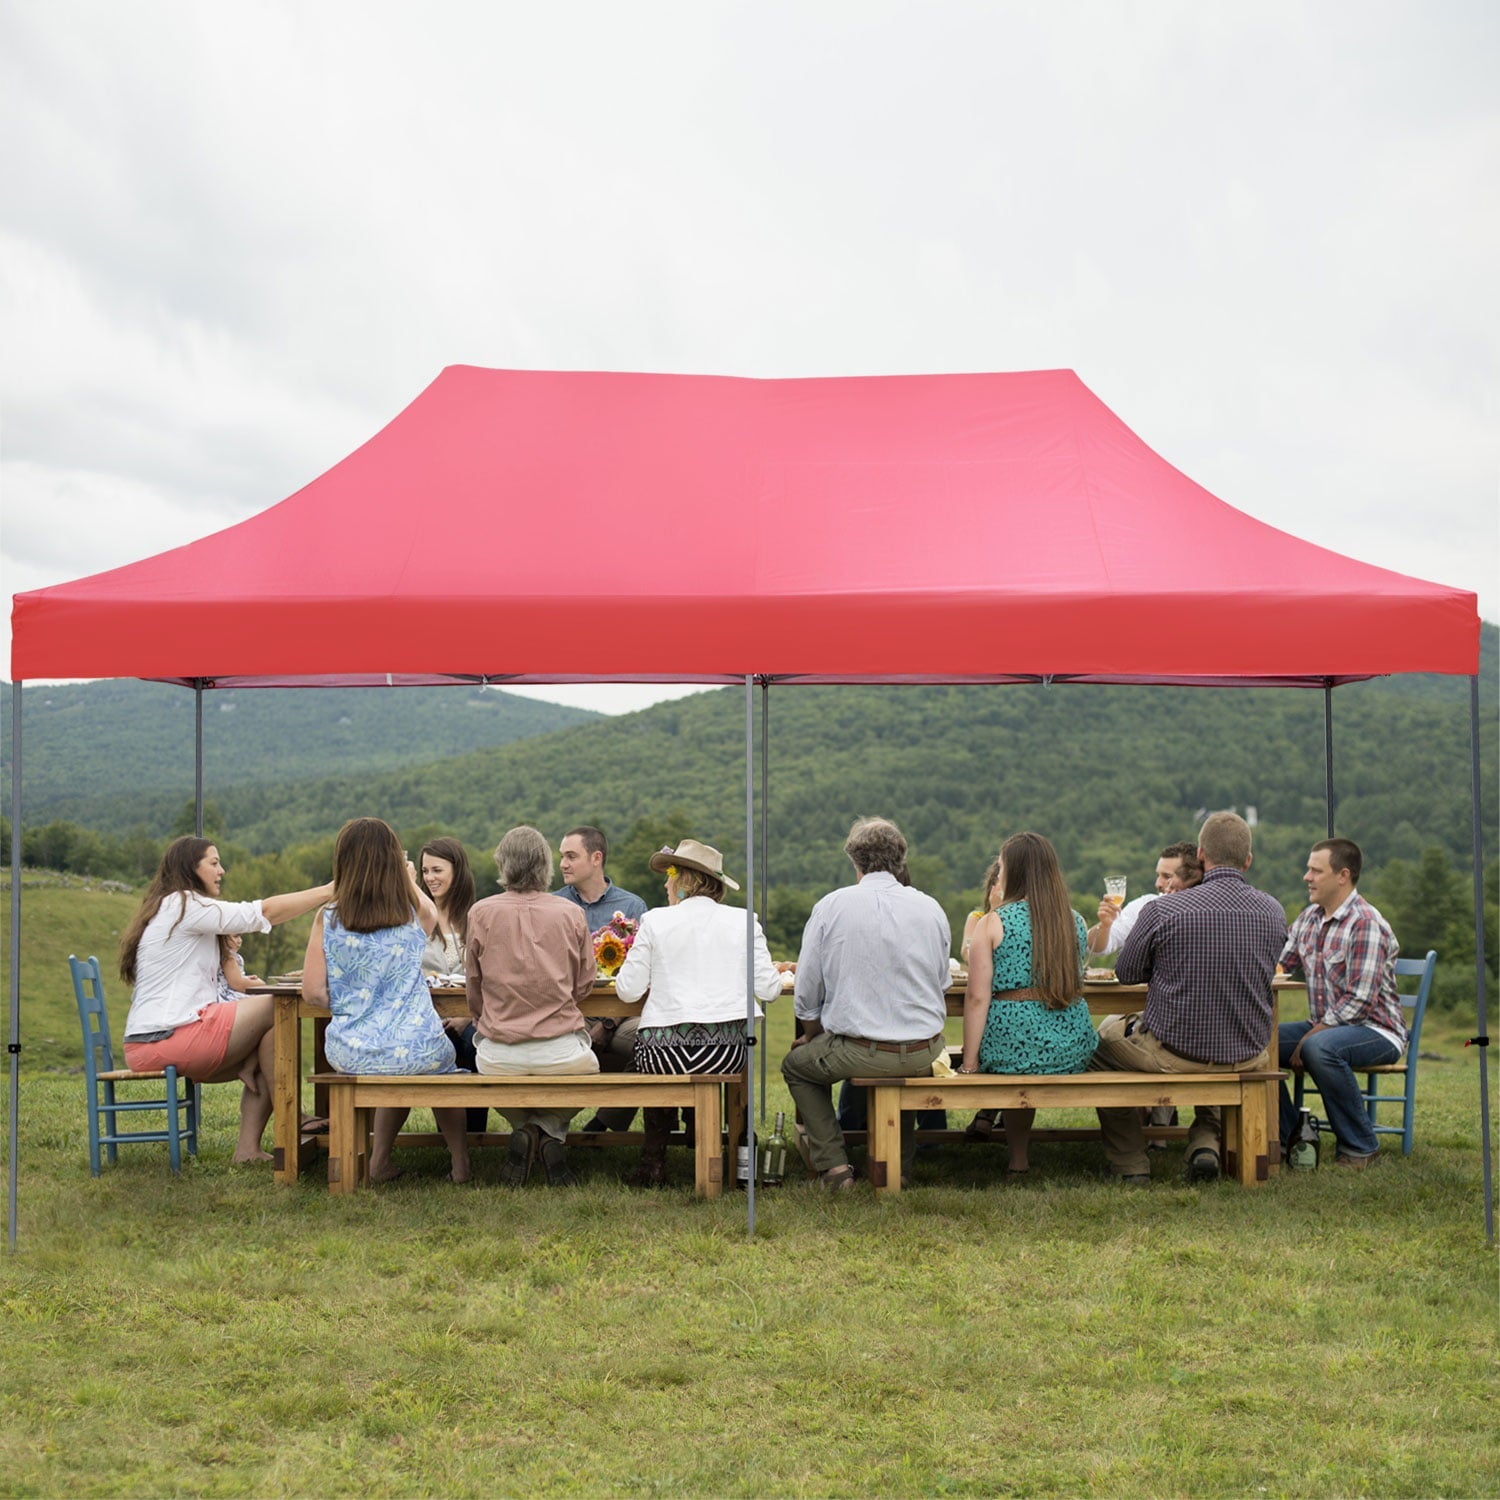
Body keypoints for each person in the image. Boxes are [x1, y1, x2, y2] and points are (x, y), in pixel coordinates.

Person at [1091, 811, 1285, 1183]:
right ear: (1248, 860)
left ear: (1201, 855)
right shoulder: (1272, 910)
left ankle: (1131, 1163)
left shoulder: (1162, 909)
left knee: (1099, 1048)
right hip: (1247, 1053)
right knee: (1216, 1039)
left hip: (1175, 1055)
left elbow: (1127, 973)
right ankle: (1205, 1143)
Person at [120, 836, 333, 1163]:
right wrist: (332, 889)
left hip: (161, 1039)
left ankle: (248, 1150)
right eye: (214, 863)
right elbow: (262, 913)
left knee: (272, 1037)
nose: (222, 871)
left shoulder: (171, 908)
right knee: (279, 1005)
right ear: (192, 868)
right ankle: (293, 1120)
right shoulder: (183, 904)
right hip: (169, 1038)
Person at [781, 817, 951, 1190]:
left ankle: (835, 1166)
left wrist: (811, 1032)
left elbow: (807, 991)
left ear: (853, 860)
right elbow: (942, 982)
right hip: (926, 1051)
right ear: (901, 859)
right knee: (898, 1063)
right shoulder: (931, 908)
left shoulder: (832, 906)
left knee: (797, 1066)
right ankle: (896, 1169)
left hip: (862, 1050)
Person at [302, 817, 471, 1184]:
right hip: (416, 1046)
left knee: (391, 1062)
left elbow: (312, 992)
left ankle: (378, 1162)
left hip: (351, 1049)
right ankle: (460, 1164)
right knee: (442, 1068)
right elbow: (431, 915)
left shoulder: (328, 917)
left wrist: (352, 1004)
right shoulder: (411, 916)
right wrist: (408, 879)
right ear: (394, 862)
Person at [613, 838, 781, 1186]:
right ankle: (714, 1149)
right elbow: (770, 990)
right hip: (727, 1054)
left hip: (665, 1055)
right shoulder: (745, 920)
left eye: (669, 876)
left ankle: (653, 1164)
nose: (664, 884)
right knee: (670, 1055)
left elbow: (627, 990)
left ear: (683, 880)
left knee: (644, 1051)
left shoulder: (655, 920)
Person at [957, 832, 1096, 1175]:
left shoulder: (993, 921)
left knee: (1018, 1054)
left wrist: (970, 1063)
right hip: (1072, 1050)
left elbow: (976, 998)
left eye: (1002, 866)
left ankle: (1019, 1159)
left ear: (1014, 872)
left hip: (1012, 1048)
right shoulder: (1074, 920)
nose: (998, 873)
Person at [468, 825, 598, 1187]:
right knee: (591, 1071)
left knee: (489, 1068)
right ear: (546, 865)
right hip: (561, 1052)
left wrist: (485, 1015)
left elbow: (473, 987)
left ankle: (528, 1131)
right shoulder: (570, 913)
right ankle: (550, 1134)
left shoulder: (480, 912)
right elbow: (585, 983)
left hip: (500, 1055)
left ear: (503, 864)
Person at [1277, 838, 1405, 1169]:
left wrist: (1310, 1037)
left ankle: (1361, 1147)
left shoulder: (1365, 922)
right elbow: (1280, 965)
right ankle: (1294, 1137)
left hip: (1376, 1029)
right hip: (1324, 1026)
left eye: (1315, 871)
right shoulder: (1308, 919)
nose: (1307, 877)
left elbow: (1360, 1001)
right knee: (1256, 1043)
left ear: (1342, 875)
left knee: (1320, 1048)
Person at [556, 825, 649, 1129]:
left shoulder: (632, 907)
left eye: (571, 856)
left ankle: (606, 1121)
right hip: (569, 1014)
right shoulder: (553, 906)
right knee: (547, 1043)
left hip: (622, 1016)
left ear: (596, 858)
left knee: (652, 1043)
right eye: (561, 857)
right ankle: (547, 1130)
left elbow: (643, 974)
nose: (563, 864)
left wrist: (610, 1022)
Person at [1086, 842, 1201, 957]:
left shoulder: (1205, 914)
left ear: (1190, 879)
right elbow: (1095, 949)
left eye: (1167, 876)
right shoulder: (1144, 905)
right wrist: (1105, 925)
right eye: (1158, 875)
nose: (1158, 884)